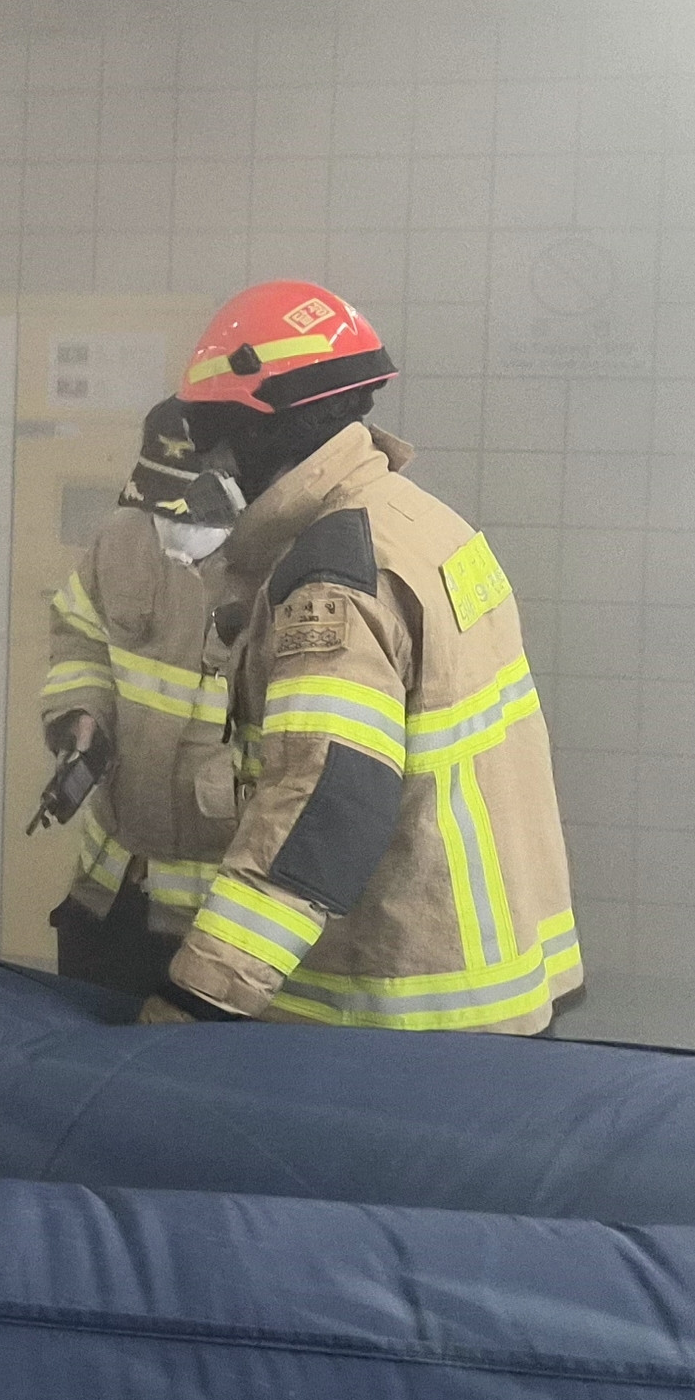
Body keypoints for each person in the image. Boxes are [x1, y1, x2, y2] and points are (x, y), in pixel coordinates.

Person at [140, 283, 577, 1033]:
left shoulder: (332, 576)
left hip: (395, 1012)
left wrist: (202, 994)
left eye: (215, 432)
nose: (211, 459)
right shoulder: (422, 522)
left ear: (263, 428)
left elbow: (324, 801)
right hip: (495, 975)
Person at [36, 398, 242, 997]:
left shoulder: (282, 573)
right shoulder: (121, 538)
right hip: (109, 889)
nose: (173, 522)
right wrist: (82, 715)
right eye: (160, 502)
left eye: (193, 506)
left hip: (215, 919)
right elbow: (78, 632)